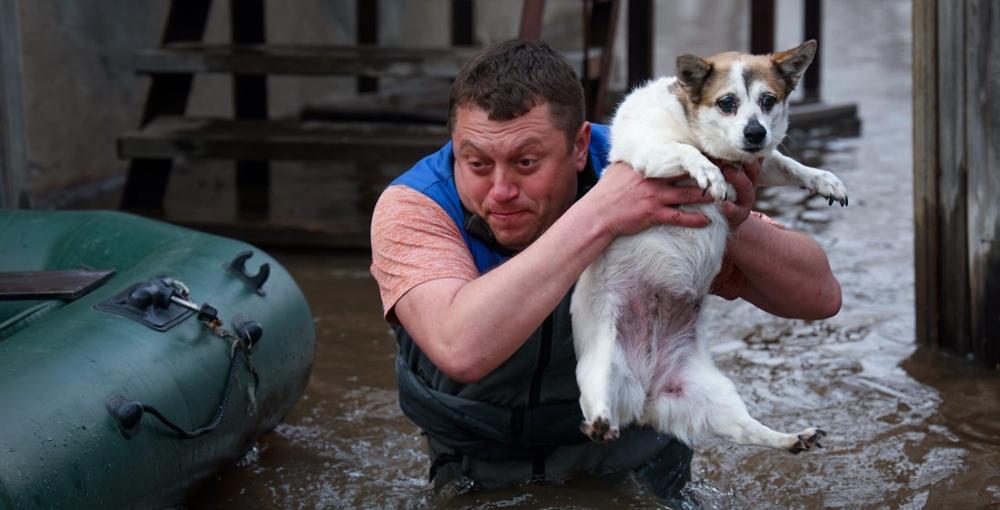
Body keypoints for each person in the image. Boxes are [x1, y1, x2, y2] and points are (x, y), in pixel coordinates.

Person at [369, 39, 841, 501]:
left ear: (579, 147)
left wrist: (732, 219)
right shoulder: (415, 206)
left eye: (526, 162)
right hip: (479, 459)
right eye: (474, 162)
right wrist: (602, 213)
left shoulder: (655, 159)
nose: (501, 189)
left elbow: (819, 296)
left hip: (636, 451)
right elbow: (461, 348)